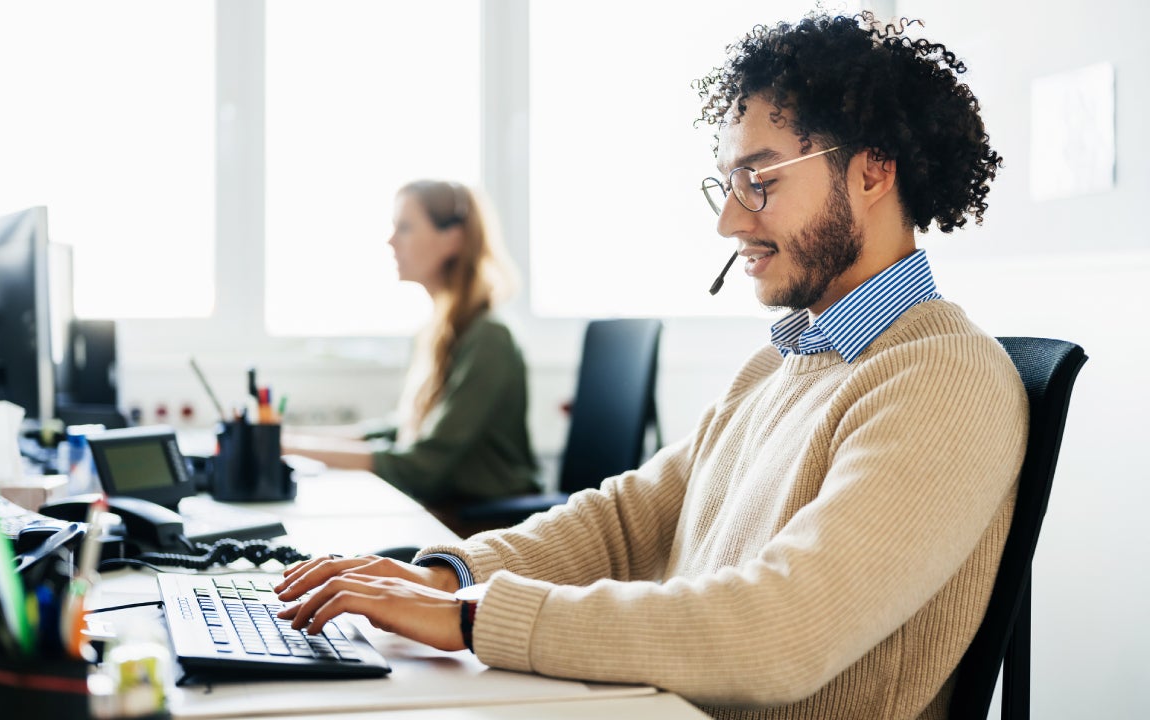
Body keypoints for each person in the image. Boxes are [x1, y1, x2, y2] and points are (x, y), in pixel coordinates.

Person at [274, 12, 1029, 719]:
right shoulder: (783, 364)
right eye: (727, 183)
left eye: (759, 180)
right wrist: (447, 577)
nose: (729, 220)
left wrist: (469, 621)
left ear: (871, 172)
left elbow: (778, 631)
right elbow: (625, 523)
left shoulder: (943, 379)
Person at [283, 180, 540, 528]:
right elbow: (405, 428)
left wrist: (293, 449)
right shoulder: (442, 329)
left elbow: (422, 466)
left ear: (453, 238)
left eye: (404, 227)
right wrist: (294, 440)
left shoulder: (489, 337)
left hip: (481, 524)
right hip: (447, 508)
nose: (391, 241)